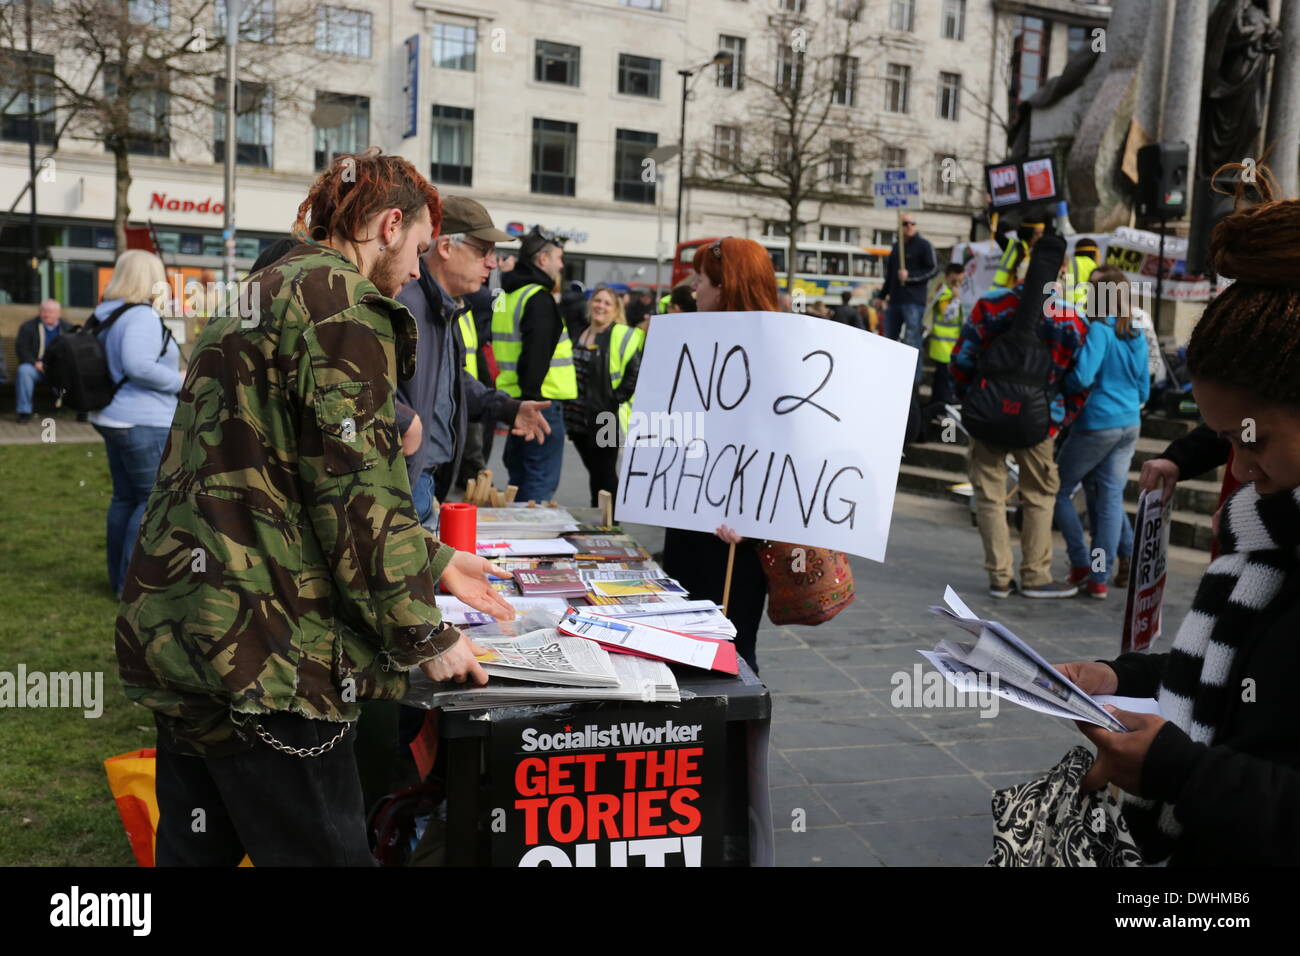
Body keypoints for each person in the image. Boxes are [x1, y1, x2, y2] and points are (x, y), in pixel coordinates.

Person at [116, 150, 511, 867]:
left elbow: (282, 475)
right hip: (268, 656)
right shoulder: (340, 305)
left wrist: (438, 557)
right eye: (420, 249)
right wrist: (424, 634)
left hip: (188, 633)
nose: (418, 270)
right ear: (389, 225)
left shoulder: (266, 287)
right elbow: (356, 496)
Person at [1059, 184, 1300, 865]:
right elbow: (1241, 670)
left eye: (1254, 440)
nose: (1242, 469)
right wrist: (1120, 675)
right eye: (1226, 442)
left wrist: (1180, 772)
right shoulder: (1269, 536)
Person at [661, 237, 778, 673]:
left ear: (725, 287)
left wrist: (759, 518)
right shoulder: (690, 343)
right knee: (684, 648)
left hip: (735, 542)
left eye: (700, 281)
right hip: (689, 520)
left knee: (728, 654)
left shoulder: (780, 353)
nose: (694, 291)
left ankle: (731, 738)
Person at [950, 237, 1090, 599]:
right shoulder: (1071, 321)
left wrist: (975, 401)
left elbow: (961, 360)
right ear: (1059, 276)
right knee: (1040, 495)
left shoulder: (990, 306)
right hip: (1039, 423)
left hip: (988, 420)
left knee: (989, 495)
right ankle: (1035, 575)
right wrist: (1059, 417)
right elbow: (1080, 379)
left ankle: (999, 577)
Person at [395, 197, 550, 519]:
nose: (492, 264)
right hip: (405, 481)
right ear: (447, 247)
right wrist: (404, 423)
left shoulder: (441, 304)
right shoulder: (407, 303)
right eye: (484, 251)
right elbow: (358, 387)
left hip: (423, 477)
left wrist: (507, 407)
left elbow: (448, 381)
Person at [83, 253, 181, 596]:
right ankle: (130, 585)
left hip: (113, 416)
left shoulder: (106, 312)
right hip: (142, 419)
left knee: (125, 498)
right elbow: (138, 366)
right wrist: (180, 381)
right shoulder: (140, 316)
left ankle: (118, 579)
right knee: (150, 500)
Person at [1053, 266, 1149, 599]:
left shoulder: (1099, 330)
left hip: (1097, 422)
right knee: (1110, 498)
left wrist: (1063, 383)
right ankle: (1099, 578)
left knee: (1057, 489)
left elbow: (1081, 377)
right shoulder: (1135, 331)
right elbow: (1144, 386)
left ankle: (1081, 561)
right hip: (1129, 422)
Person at [495, 226, 574, 502]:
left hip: (517, 401)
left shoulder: (510, 295)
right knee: (537, 486)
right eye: (558, 258)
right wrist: (532, 403)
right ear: (542, 260)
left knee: (521, 478)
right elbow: (535, 356)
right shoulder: (538, 298)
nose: (561, 265)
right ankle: (532, 543)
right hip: (541, 405)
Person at [565, 286, 644, 508]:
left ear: (615, 309)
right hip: (577, 416)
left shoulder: (620, 335)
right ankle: (598, 517)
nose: (601, 306)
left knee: (605, 472)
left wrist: (614, 399)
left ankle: (609, 522)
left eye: (607, 303)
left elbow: (635, 372)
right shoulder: (579, 331)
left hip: (606, 416)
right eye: (597, 300)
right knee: (594, 471)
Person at [880, 214, 937, 382]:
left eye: (912, 223)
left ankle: (914, 380)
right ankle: (889, 375)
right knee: (889, 339)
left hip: (913, 301)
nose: (909, 226)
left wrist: (910, 277)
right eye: (905, 223)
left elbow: (933, 269)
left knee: (912, 341)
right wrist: (882, 295)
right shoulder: (897, 247)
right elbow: (890, 275)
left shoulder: (924, 245)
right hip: (895, 300)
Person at [14, 298, 74, 423]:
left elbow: (74, 352)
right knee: (24, 371)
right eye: (44, 311)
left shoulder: (69, 329)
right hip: (37, 368)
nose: (47, 315)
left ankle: (82, 411)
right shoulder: (28, 327)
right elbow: (22, 350)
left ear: (59, 313)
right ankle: (24, 412)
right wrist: (35, 363)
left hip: (60, 369)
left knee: (79, 371)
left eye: (51, 312)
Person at [921, 262, 966, 428]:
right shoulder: (946, 293)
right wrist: (955, 298)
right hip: (943, 345)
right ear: (948, 277)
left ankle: (939, 407)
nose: (959, 285)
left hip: (949, 345)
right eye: (956, 281)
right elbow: (948, 315)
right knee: (943, 380)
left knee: (942, 379)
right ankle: (941, 409)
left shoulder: (947, 292)